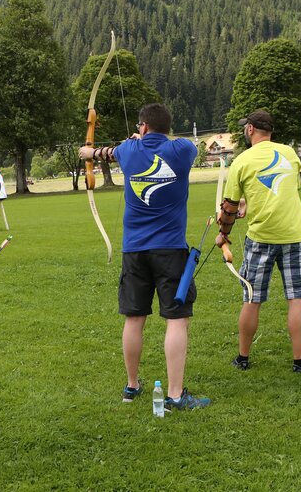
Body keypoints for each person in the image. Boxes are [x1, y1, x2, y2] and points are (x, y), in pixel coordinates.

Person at [78, 103, 210, 411]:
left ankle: (132, 385)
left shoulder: (128, 150)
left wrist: (94, 153)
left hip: (134, 250)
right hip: (170, 250)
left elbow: (108, 152)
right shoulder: (182, 151)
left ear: (143, 127)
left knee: (134, 318)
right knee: (176, 320)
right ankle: (175, 395)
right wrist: (145, 137)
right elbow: (178, 144)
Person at [215, 110, 301, 373]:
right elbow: (278, 187)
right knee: (297, 299)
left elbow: (228, 207)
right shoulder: (288, 154)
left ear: (250, 129)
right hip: (294, 235)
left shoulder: (242, 161)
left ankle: (243, 358)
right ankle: (300, 361)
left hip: (261, 237)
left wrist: (224, 234)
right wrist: (246, 202)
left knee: (252, 300)